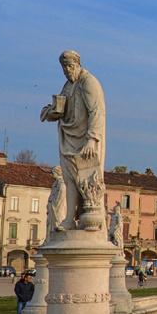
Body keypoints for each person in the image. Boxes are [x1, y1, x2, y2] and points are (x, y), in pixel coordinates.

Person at [40, 51, 106, 231]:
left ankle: (90, 220)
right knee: (70, 178)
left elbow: (97, 112)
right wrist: (53, 112)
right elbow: (58, 107)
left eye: (70, 66)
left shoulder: (88, 82)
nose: (67, 70)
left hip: (85, 141)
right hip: (69, 138)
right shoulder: (68, 86)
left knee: (86, 180)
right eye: (64, 67)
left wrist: (92, 139)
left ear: (78, 64)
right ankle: (69, 219)